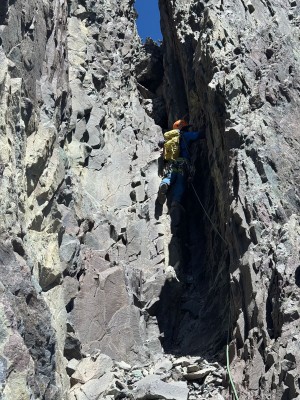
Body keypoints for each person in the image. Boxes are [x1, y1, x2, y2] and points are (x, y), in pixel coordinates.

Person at [157, 118, 205, 206]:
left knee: (169, 177)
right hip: (183, 163)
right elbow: (199, 135)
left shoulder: (170, 140)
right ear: (184, 128)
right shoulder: (186, 135)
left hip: (172, 163)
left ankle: (164, 184)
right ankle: (176, 201)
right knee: (180, 182)